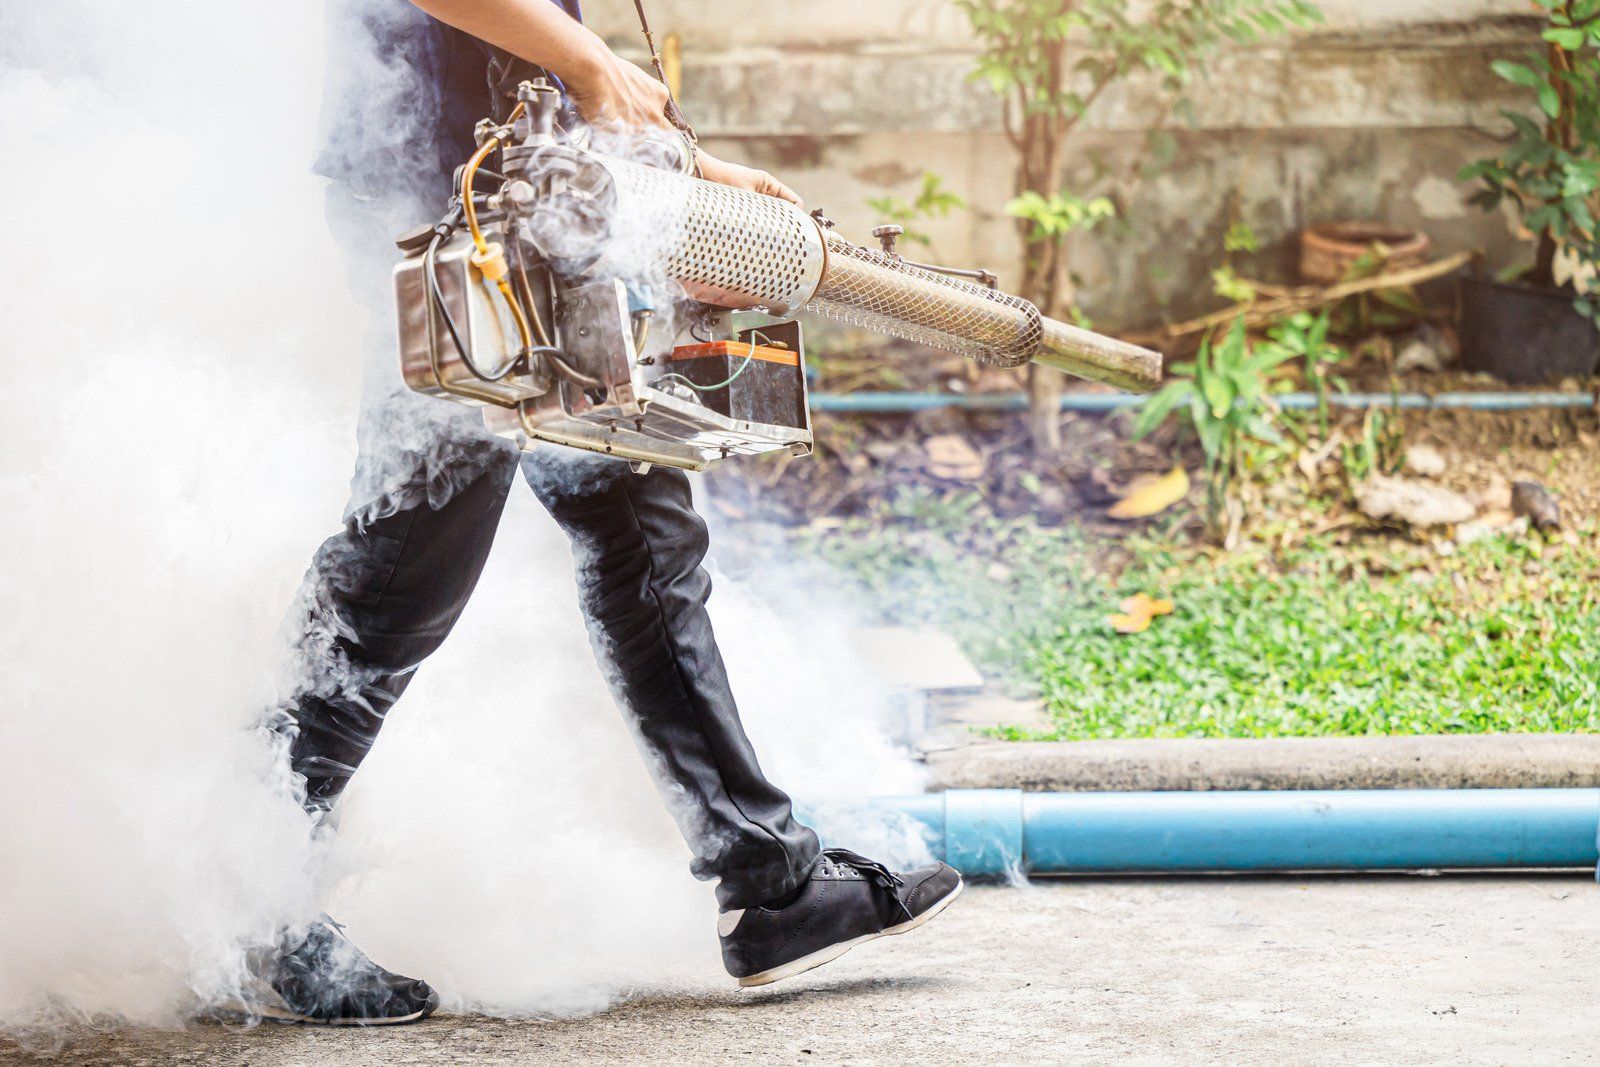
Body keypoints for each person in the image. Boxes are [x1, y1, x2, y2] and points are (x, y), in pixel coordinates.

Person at [258, 0, 962, 1025]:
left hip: (529, 203)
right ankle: (250, 905)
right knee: (408, 563)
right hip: (439, 198)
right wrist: (589, 59)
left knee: (643, 532)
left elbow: (532, 55)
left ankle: (770, 882)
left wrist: (687, 168)